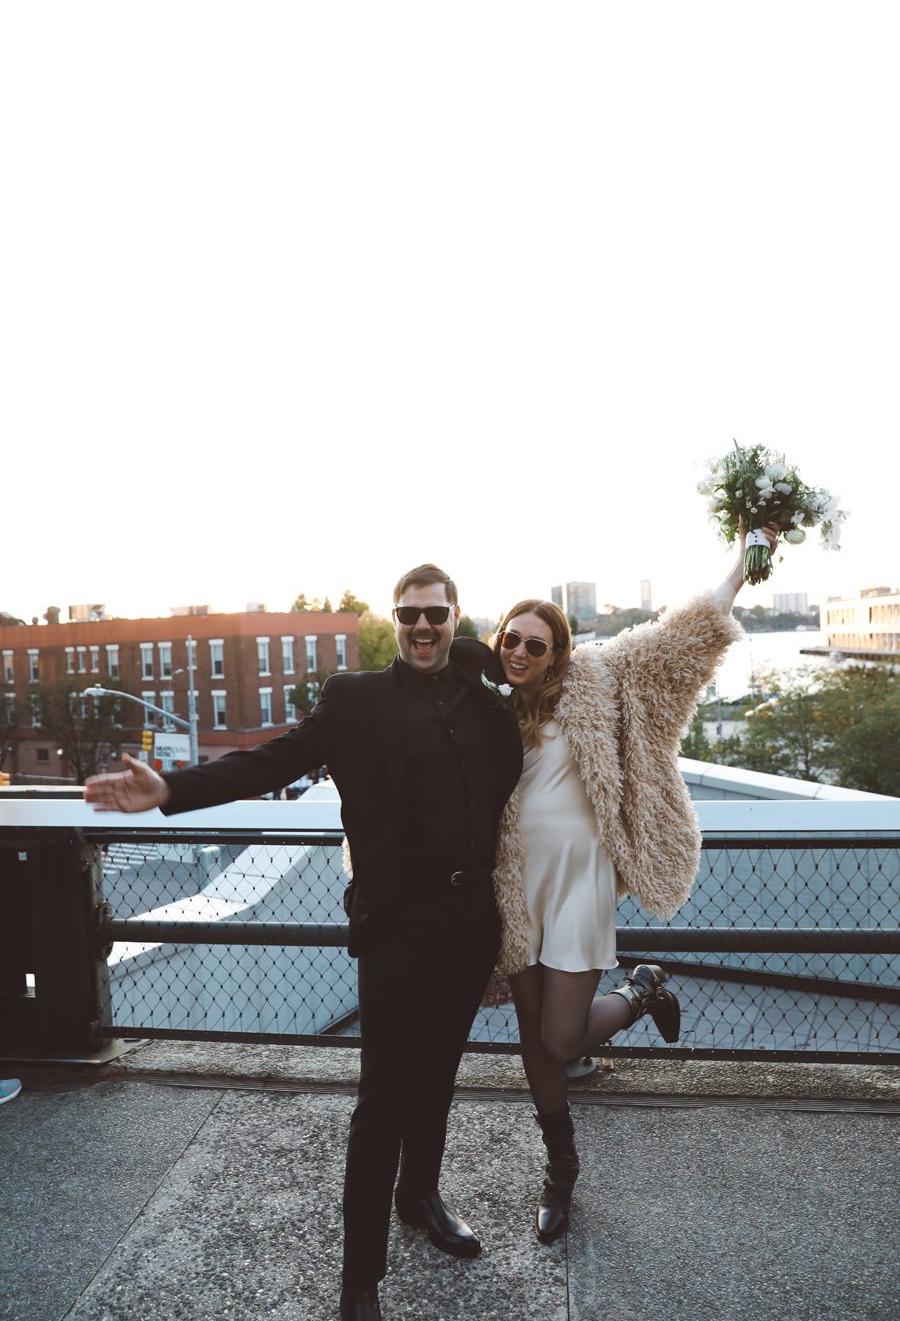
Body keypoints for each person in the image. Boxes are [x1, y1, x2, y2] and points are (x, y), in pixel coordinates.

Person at [85, 564, 522, 1321]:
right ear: (395, 621)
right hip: (397, 922)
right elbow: (274, 760)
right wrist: (172, 791)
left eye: (436, 616)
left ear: (456, 618)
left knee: (441, 1071)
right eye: (409, 616)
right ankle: (361, 1281)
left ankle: (419, 1195)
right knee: (384, 1095)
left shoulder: (488, 707)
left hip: (471, 919)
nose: (423, 629)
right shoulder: (357, 701)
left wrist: (480, 653)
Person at [488, 524, 777, 1245]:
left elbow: (682, 638)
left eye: (535, 643)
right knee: (535, 1039)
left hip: (580, 888)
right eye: (510, 640)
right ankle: (560, 1171)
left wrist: (743, 563)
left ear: (557, 652)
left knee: (560, 1038)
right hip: (513, 893)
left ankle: (639, 989)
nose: (519, 652)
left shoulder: (602, 679)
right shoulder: (486, 712)